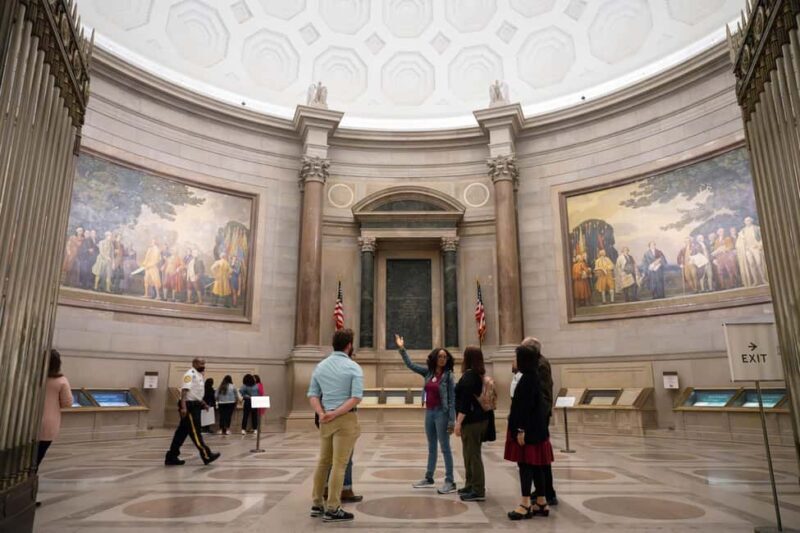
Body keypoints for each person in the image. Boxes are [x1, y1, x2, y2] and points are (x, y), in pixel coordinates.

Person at [308, 328, 363, 523]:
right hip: (345, 419)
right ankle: (333, 507)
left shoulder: (321, 366)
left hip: (326, 419)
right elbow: (356, 397)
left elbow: (313, 395)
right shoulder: (353, 367)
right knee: (340, 465)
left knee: (323, 462)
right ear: (349, 345)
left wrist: (323, 413)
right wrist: (336, 413)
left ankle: (316, 503)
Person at [395, 334, 457, 494]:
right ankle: (429, 477)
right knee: (431, 446)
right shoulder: (428, 373)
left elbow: (452, 400)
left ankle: (450, 481)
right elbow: (411, 365)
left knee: (445, 447)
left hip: (442, 414)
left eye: (445, 357)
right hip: (429, 412)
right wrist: (402, 349)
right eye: (440, 356)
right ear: (435, 358)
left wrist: (452, 421)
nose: (443, 359)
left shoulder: (449, 376)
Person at [505, 344, 554, 519]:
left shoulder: (526, 379)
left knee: (525, 466)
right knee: (538, 466)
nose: (514, 360)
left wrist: (519, 430)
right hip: (538, 431)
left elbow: (524, 409)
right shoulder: (534, 377)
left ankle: (525, 504)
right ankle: (541, 501)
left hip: (527, 432)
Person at [521, 337, 557, 506]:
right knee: (538, 455)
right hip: (538, 415)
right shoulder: (537, 363)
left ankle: (548, 492)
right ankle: (543, 490)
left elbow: (539, 394)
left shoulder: (539, 365)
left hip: (538, 417)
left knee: (540, 456)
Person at [165, 358, 220, 466]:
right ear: (194, 363)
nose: (203, 365)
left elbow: (196, 394)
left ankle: (171, 456)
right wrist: (183, 407)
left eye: (204, 363)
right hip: (189, 406)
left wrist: (203, 403)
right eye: (201, 363)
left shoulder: (199, 375)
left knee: (181, 433)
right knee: (195, 432)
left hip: (195, 405)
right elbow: (184, 391)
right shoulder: (189, 374)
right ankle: (207, 455)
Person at [455, 346, 492, 502]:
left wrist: (458, 423)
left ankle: (478, 489)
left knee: (473, 455)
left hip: (472, 421)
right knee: (468, 454)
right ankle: (470, 484)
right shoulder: (476, 375)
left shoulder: (470, 377)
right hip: (476, 419)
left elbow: (465, 403)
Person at [37, 351, 72, 479]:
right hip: (48, 425)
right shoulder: (61, 381)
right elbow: (67, 403)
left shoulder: (34, 378)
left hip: (26, 423)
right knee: (36, 459)